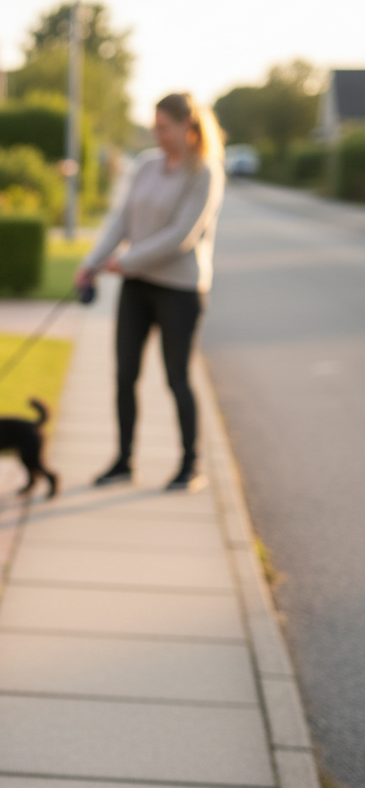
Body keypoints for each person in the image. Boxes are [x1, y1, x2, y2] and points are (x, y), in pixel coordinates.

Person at [75, 92, 225, 492]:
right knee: (125, 375)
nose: (156, 134)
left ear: (188, 128)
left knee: (177, 377)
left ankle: (190, 465)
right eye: (155, 126)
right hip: (137, 287)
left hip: (179, 289)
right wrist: (91, 263)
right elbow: (121, 220)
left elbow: (182, 236)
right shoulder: (146, 166)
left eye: (164, 127)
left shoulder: (204, 173)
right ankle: (124, 461)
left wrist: (127, 260)